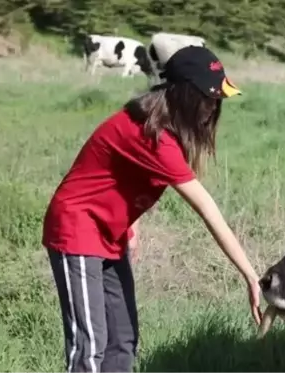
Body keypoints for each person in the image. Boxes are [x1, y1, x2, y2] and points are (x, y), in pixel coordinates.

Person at [42, 45, 262, 373]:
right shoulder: (153, 137)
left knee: (123, 341)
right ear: (185, 94)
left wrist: (131, 224)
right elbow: (207, 209)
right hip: (77, 228)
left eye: (218, 100)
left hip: (110, 232)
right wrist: (250, 276)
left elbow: (119, 174)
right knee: (90, 347)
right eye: (208, 98)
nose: (213, 108)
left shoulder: (160, 126)